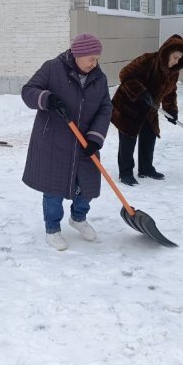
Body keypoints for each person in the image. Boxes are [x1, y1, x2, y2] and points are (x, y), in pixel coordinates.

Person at [21, 33, 113, 251]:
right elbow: (28, 91)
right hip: (55, 142)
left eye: (97, 58)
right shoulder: (53, 68)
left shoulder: (99, 78)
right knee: (54, 190)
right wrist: (47, 98)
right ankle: (52, 229)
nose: (95, 63)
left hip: (84, 143)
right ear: (78, 55)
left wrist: (95, 138)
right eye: (91, 58)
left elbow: (105, 108)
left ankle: (78, 218)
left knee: (87, 188)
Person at [111, 34, 183, 186]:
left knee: (149, 137)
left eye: (179, 59)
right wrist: (141, 92)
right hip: (129, 105)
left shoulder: (173, 72)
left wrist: (171, 110)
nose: (176, 61)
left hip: (149, 109)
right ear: (167, 52)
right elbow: (125, 74)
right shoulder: (148, 60)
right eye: (174, 57)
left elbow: (170, 92)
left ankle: (146, 168)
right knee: (128, 140)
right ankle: (126, 173)